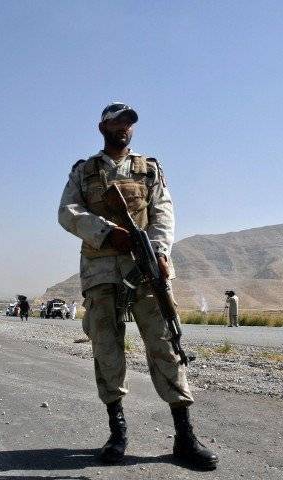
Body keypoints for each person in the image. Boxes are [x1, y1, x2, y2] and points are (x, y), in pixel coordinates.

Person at [57, 102, 217, 469]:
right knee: (107, 348)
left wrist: (159, 252)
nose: (124, 128)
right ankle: (117, 432)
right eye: (117, 123)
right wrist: (106, 233)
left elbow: (163, 211)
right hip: (101, 270)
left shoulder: (149, 168)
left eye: (129, 123)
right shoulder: (84, 170)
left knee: (165, 343)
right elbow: (67, 211)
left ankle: (184, 436)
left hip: (145, 268)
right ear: (102, 127)